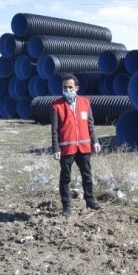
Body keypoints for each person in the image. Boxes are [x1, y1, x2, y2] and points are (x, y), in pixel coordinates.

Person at [51, 74, 102, 217]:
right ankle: (66, 207)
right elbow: (54, 130)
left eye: (70, 87)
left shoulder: (86, 102)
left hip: (84, 147)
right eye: (64, 87)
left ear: (77, 88)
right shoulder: (56, 106)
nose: (67, 89)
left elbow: (90, 124)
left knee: (87, 176)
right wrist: (56, 148)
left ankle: (90, 200)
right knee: (65, 178)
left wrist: (95, 141)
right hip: (66, 149)